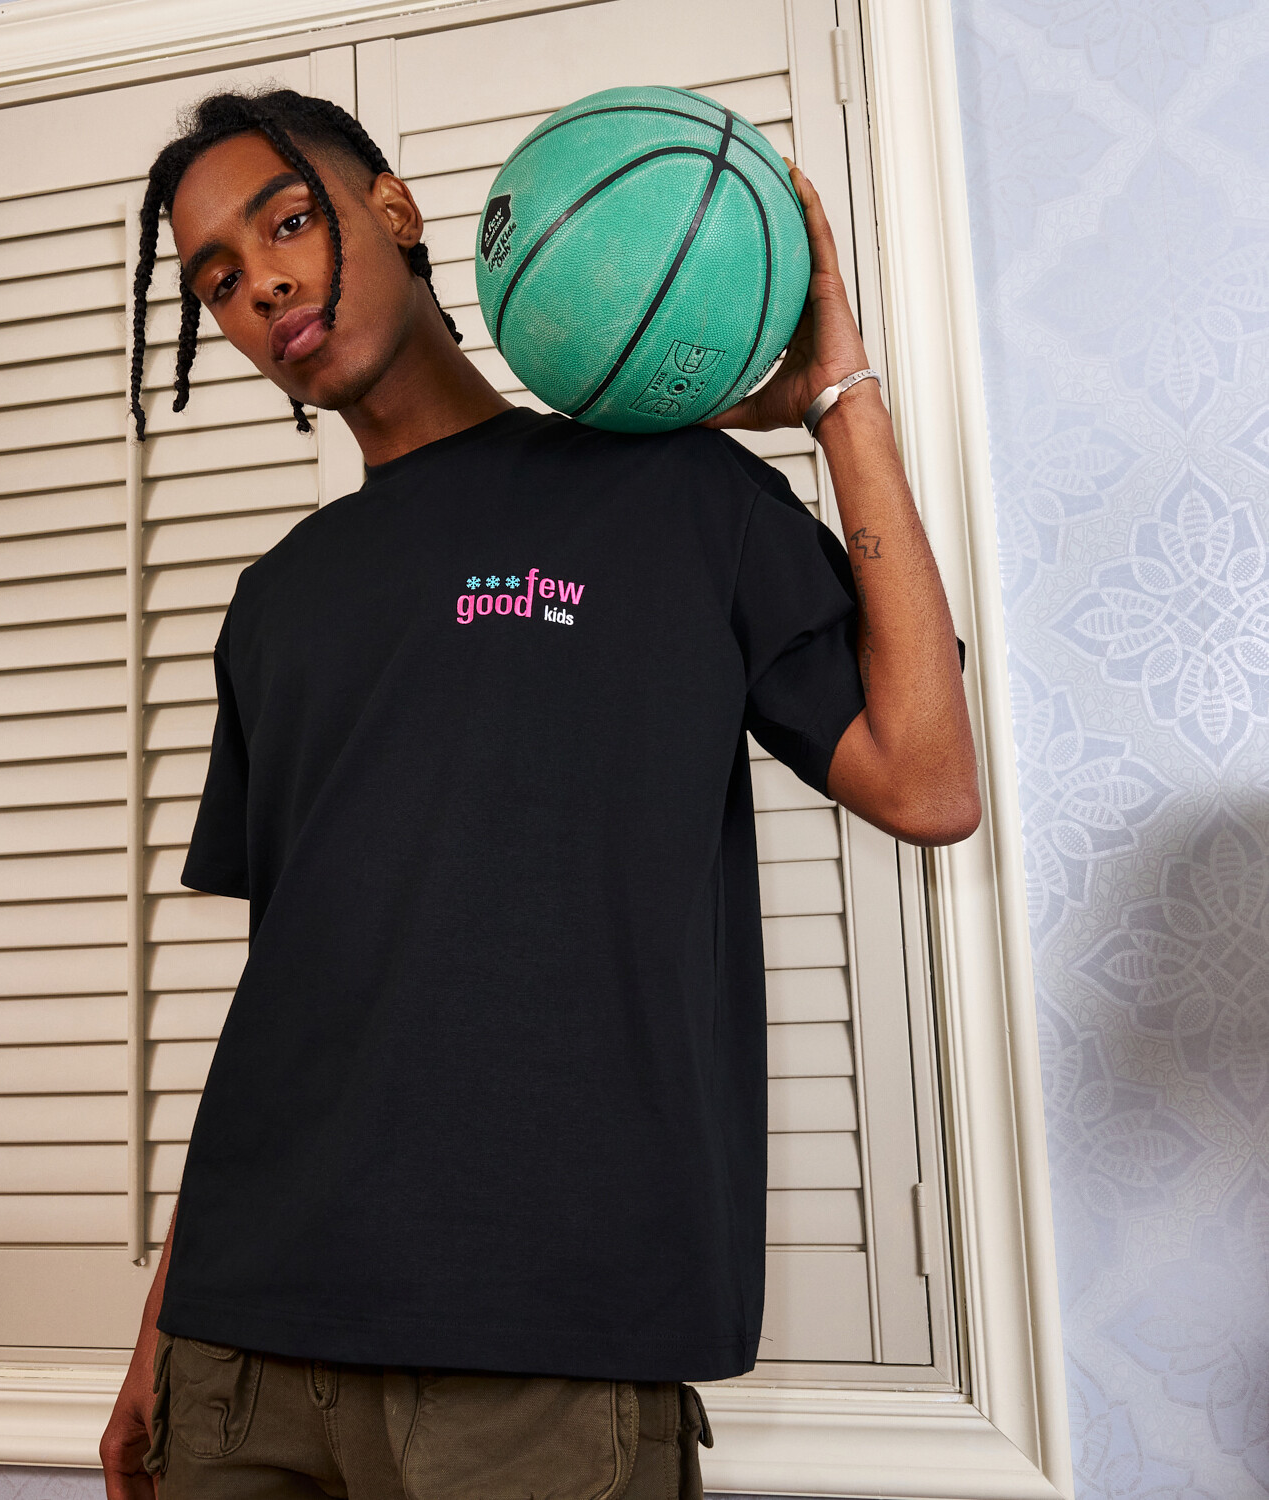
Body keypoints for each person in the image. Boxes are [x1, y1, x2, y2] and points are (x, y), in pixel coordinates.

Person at [100, 88, 979, 1500]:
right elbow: (293, 983)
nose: (258, 285)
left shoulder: (675, 493)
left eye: (287, 223)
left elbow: (928, 782)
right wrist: (160, 1333)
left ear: (394, 211)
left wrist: (839, 399)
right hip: (241, 1357)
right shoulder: (278, 601)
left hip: (539, 1357)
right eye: (214, 280)